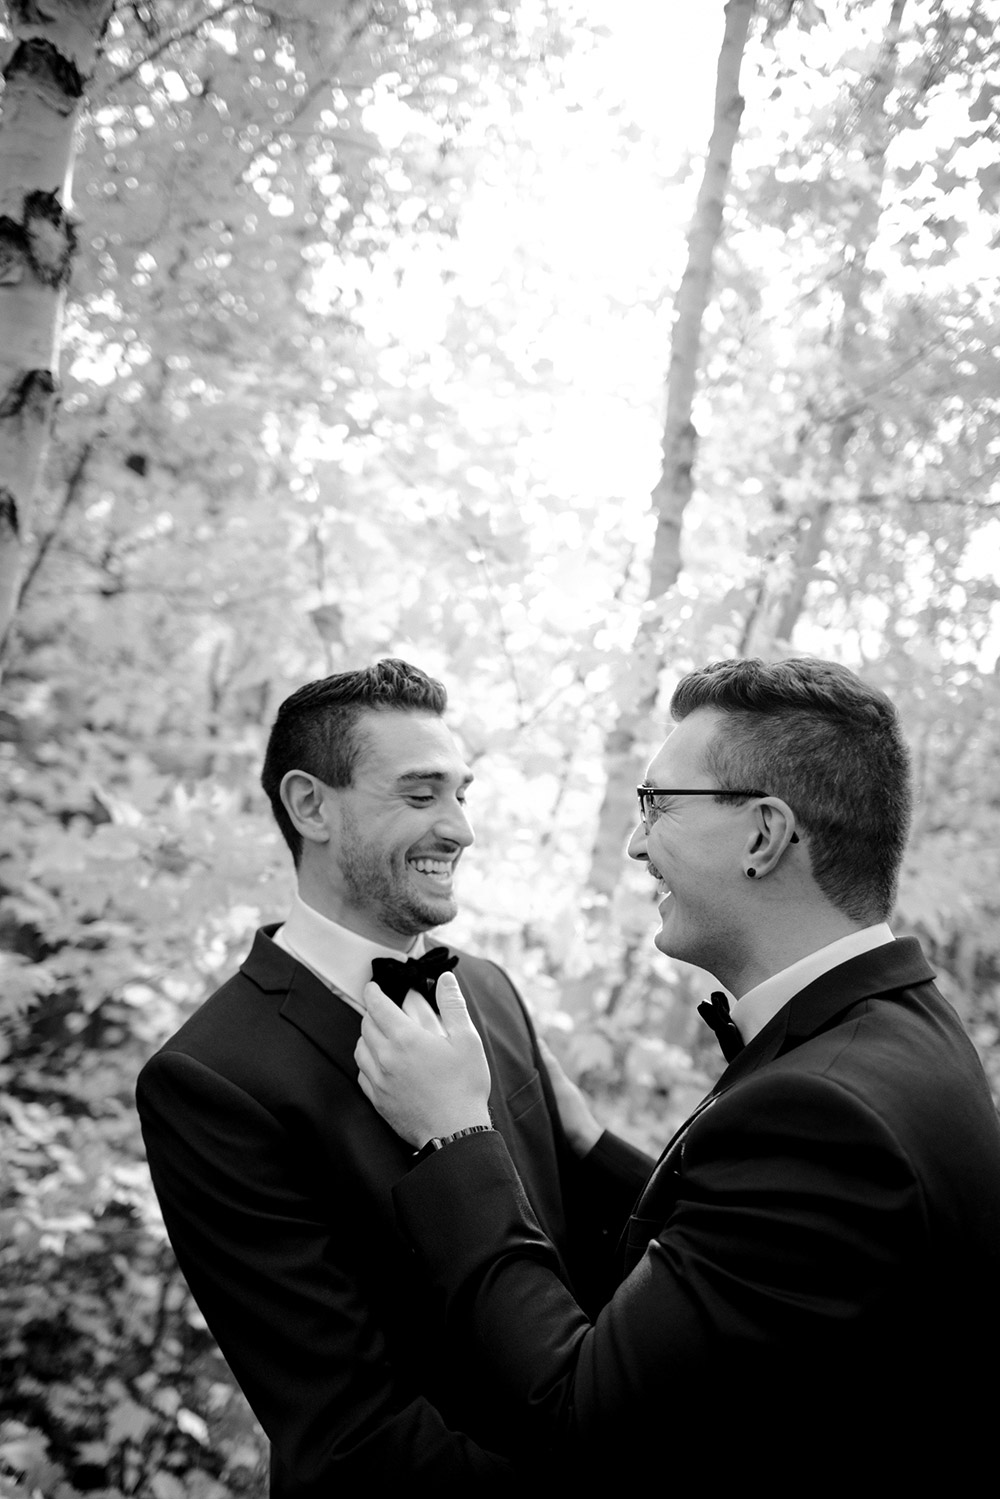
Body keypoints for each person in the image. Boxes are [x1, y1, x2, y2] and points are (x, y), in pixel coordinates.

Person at [357, 656, 1000, 1489]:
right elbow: (747, 1267)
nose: (633, 843)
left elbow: (579, 1416)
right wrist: (587, 1144)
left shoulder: (825, 1112)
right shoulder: (901, 1024)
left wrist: (455, 1136)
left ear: (764, 834)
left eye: (657, 804)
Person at [136, 659, 651, 1497]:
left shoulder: (486, 987)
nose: (460, 828)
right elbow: (350, 1430)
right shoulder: (208, 1078)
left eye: (462, 792)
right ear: (312, 806)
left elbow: (588, 1255)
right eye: (421, 795)